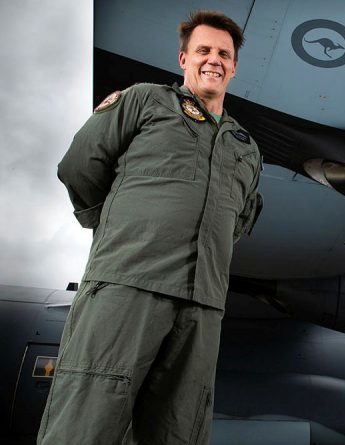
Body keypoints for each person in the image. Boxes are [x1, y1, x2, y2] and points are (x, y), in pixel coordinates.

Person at [37, 10, 262, 445]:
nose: (213, 59)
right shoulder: (145, 101)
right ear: (183, 59)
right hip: (128, 284)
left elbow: (242, 216)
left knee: (179, 429)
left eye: (223, 53)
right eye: (203, 50)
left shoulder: (246, 147)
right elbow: (79, 165)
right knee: (87, 421)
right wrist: (120, 226)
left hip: (201, 306)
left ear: (234, 67)